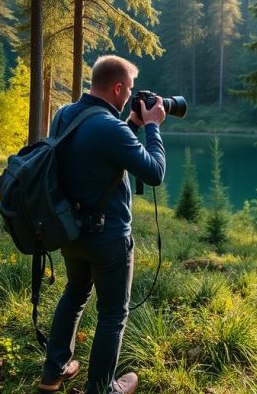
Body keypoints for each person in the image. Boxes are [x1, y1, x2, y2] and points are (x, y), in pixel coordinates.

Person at [39, 55, 167, 394]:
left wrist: (133, 124)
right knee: (113, 313)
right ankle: (101, 388)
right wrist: (152, 125)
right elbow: (154, 172)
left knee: (75, 293)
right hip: (109, 239)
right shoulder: (110, 128)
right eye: (131, 90)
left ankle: (52, 375)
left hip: (71, 232)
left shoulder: (65, 114)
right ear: (118, 87)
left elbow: (98, 150)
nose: (132, 95)